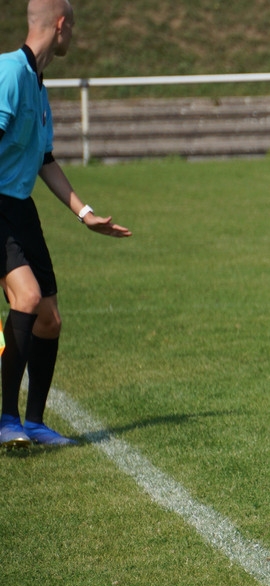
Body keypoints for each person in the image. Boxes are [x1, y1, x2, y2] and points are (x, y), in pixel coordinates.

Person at [0, 0, 132, 447]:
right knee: (28, 297)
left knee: (49, 320)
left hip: (21, 208)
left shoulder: (38, 86)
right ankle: (7, 420)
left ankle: (35, 423)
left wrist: (85, 213)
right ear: (61, 25)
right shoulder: (9, 75)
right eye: (72, 27)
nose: (73, 35)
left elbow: (44, 160)